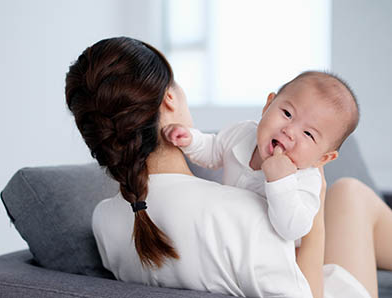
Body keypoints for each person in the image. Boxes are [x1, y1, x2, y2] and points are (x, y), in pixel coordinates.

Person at [65, 36, 392, 298]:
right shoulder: (246, 217)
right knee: (350, 194)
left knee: (349, 196)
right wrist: (317, 214)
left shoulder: (105, 222)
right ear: (169, 99)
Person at [162, 71, 358, 249]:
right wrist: (190, 139)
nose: (289, 131)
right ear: (268, 105)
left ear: (323, 158)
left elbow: (293, 230)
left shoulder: (305, 180)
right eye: (287, 114)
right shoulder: (242, 133)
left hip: (276, 261)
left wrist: (281, 182)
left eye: (308, 134)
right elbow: (213, 151)